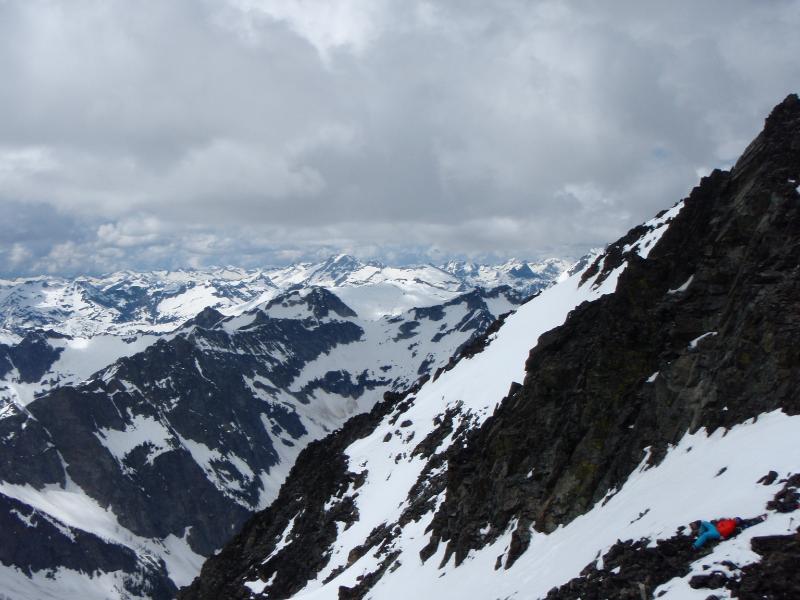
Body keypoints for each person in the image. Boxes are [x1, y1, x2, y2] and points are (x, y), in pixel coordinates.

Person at [692, 515, 766, 549]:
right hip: (715, 528)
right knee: (704, 523)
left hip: (718, 533)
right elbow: (720, 523)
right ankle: (700, 536)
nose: (735, 519)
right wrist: (719, 526)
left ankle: (695, 546)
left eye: (737, 520)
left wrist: (722, 536)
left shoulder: (732, 526)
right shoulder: (728, 521)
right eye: (736, 518)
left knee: (706, 535)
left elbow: (725, 532)